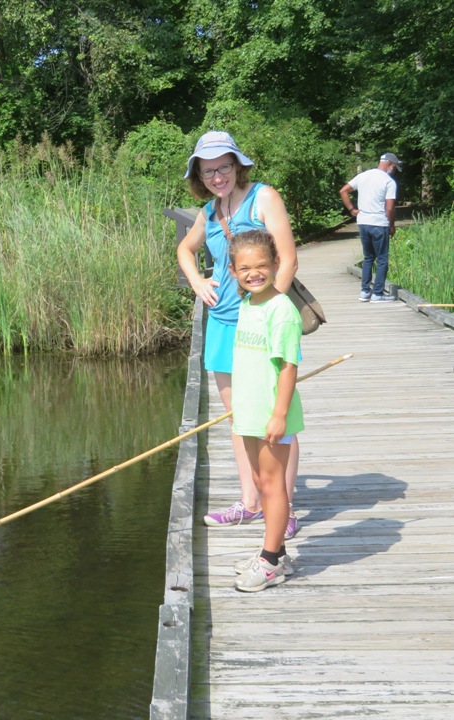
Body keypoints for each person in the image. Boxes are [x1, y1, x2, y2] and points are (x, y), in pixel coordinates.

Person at [176, 131, 301, 539]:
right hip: (223, 323)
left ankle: (283, 506)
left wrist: (270, 311)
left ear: (237, 165)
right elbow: (185, 250)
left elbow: (287, 259)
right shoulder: (208, 213)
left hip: (259, 326)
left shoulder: (264, 197)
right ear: (199, 174)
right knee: (239, 418)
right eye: (208, 170)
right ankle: (249, 503)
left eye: (224, 167)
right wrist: (197, 281)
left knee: (272, 417)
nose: (218, 177)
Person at [226, 229, 304, 591]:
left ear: (276, 265)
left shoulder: (281, 310)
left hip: (273, 413)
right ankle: (276, 552)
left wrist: (279, 414)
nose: (253, 273)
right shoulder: (247, 305)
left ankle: (270, 562)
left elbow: (288, 366)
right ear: (233, 271)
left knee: (273, 485)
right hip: (250, 410)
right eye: (244, 268)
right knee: (260, 483)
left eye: (261, 266)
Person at [339, 152, 402, 303]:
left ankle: (365, 291)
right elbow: (390, 209)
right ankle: (377, 294)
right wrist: (392, 225)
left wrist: (352, 209)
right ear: (389, 164)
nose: (394, 171)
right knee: (382, 259)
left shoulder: (363, 176)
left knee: (368, 258)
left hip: (363, 222)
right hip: (379, 223)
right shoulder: (389, 181)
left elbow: (343, 191)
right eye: (394, 168)